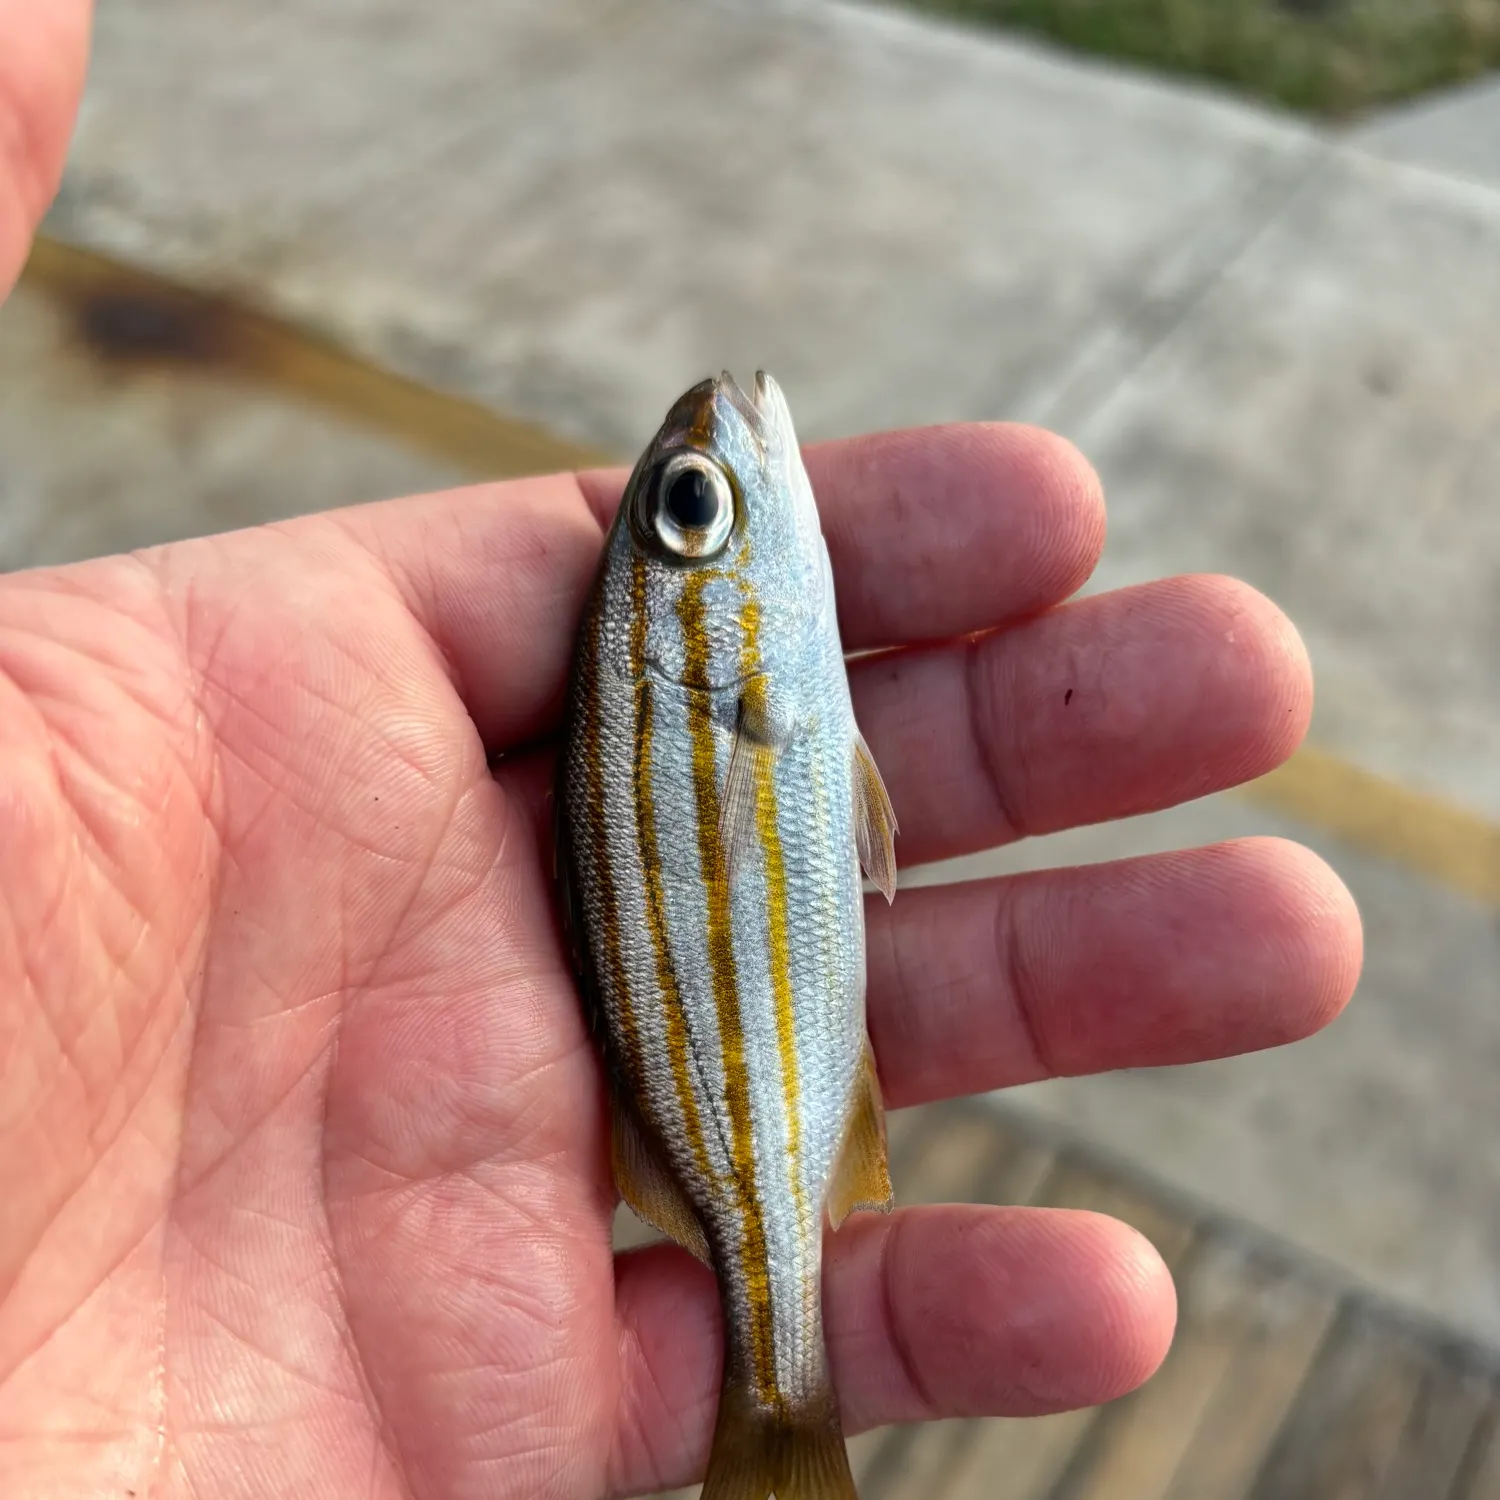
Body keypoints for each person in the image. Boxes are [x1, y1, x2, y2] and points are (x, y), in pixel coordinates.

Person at [0, 7, 1362, 1497]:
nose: (728, 444)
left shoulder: (730, 678)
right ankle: (778, 1405)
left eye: (688, 503)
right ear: (700, 615)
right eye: (695, 512)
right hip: (742, 1057)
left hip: (728, 1063)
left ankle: (780, 1391)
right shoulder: (729, 676)